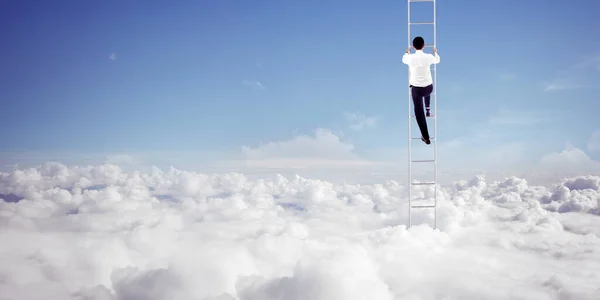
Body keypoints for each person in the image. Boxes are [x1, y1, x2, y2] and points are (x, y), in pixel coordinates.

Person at [402, 36, 440, 145]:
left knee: (419, 112)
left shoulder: (410, 58)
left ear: (413, 47)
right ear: (423, 46)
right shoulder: (428, 57)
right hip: (428, 89)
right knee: (427, 84)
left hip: (417, 91)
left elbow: (403, 59)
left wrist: (407, 52)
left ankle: (426, 136)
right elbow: (437, 60)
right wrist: (435, 52)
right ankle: (428, 108)